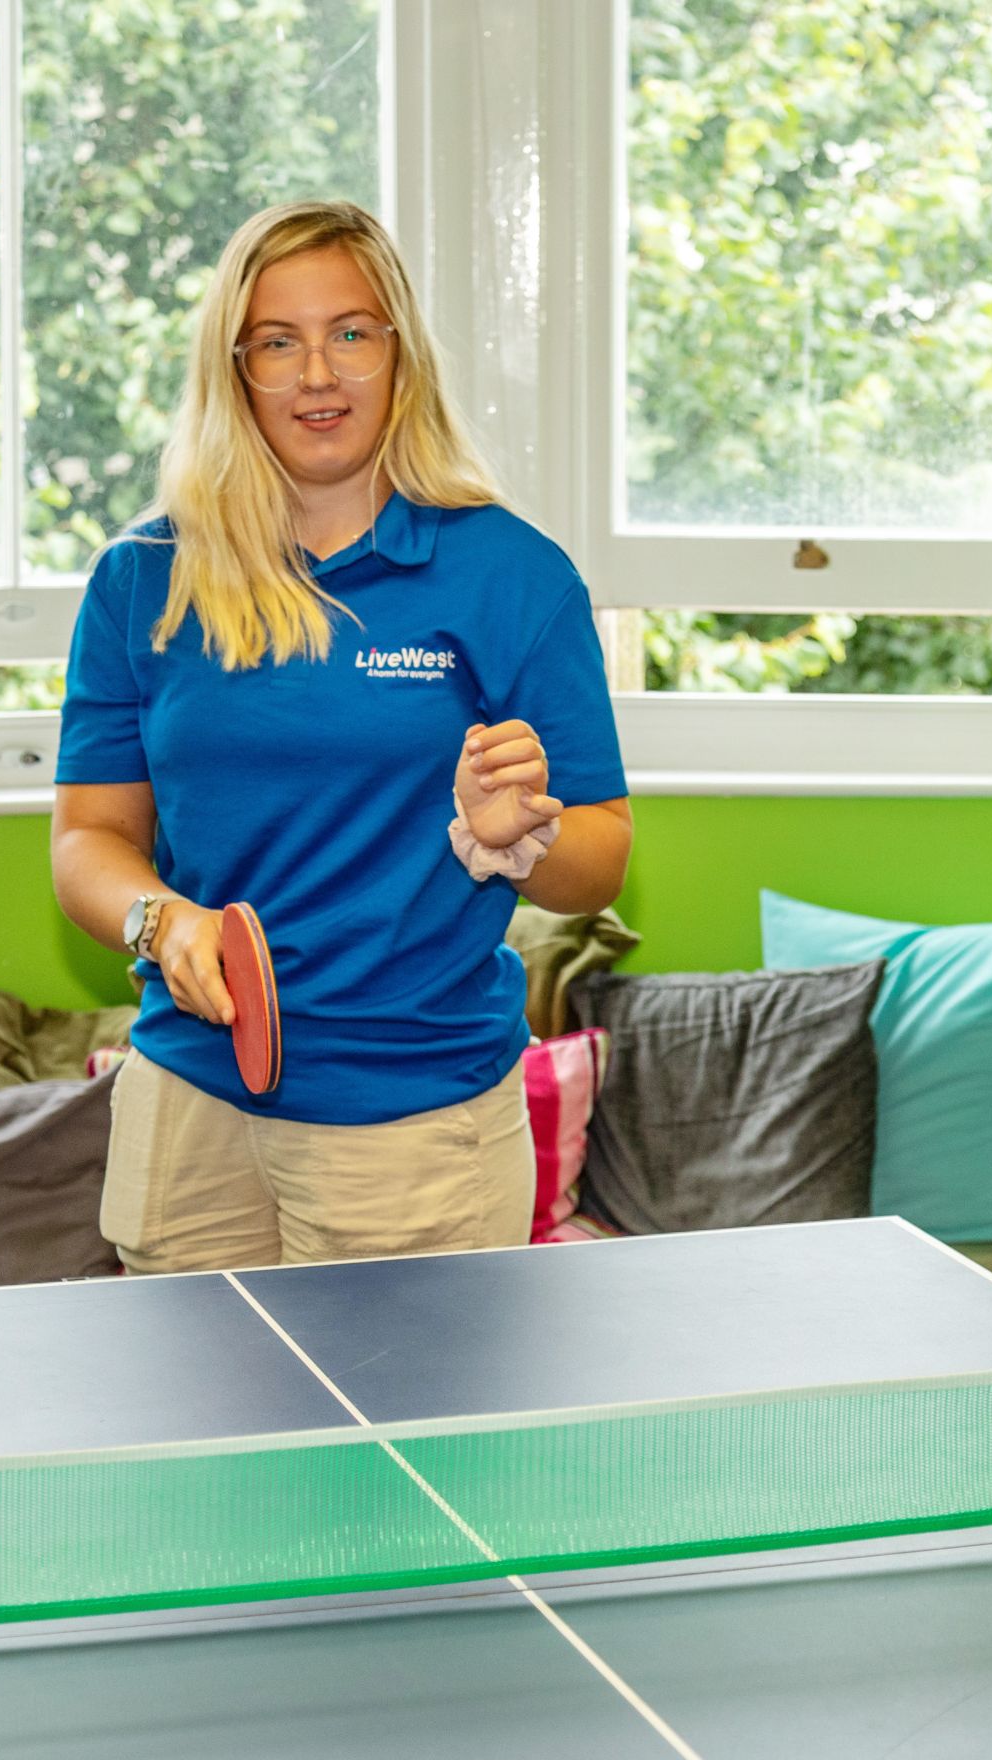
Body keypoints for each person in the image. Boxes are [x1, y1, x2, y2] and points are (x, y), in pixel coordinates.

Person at [50, 198, 631, 1272]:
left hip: (415, 1123)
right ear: (236, 370)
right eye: (279, 342)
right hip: (187, 1102)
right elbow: (88, 837)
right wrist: (158, 921)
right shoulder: (141, 579)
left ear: (399, 356)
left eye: (350, 333)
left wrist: (525, 836)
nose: (318, 374)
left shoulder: (513, 575)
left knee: (407, 1442)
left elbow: (600, 862)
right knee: (198, 1441)